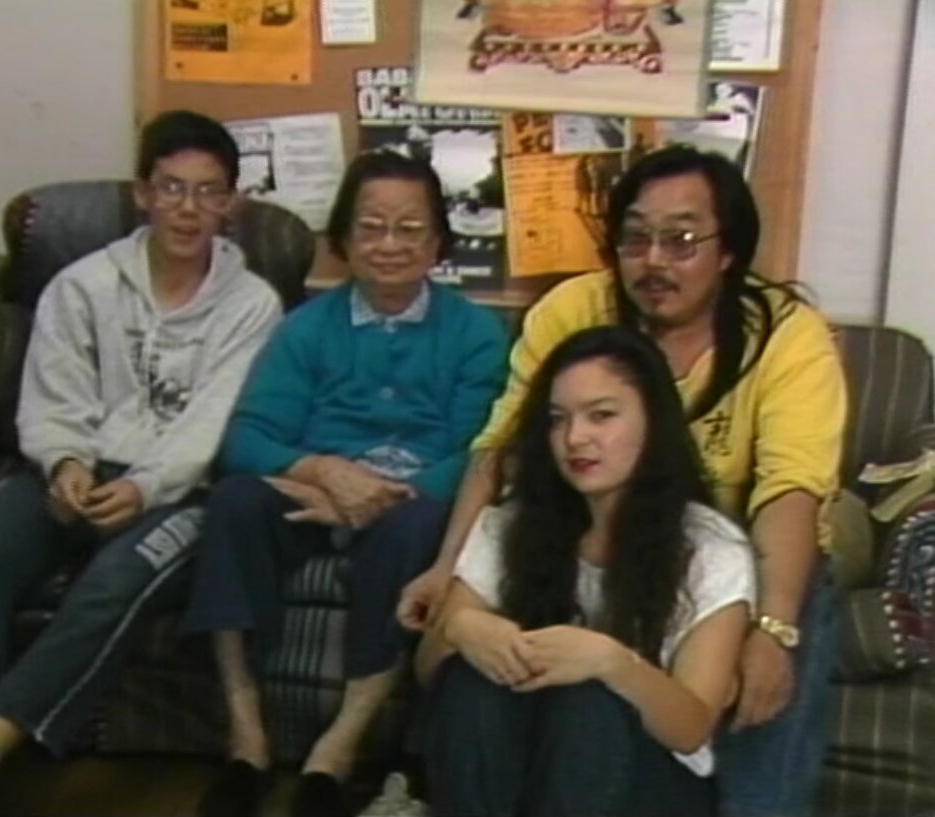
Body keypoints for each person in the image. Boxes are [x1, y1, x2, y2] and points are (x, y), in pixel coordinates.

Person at [0, 110, 284, 817]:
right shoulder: (82, 285)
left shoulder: (253, 305)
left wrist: (144, 487)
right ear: (142, 193)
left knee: (110, 584)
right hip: (75, 472)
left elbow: (213, 422)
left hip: (181, 494)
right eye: (172, 187)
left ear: (231, 204)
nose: (188, 208)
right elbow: (54, 395)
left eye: (208, 192)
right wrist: (64, 463)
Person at [399, 145, 847, 817]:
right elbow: (503, 447)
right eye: (636, 238)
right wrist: (449, 577)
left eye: (682, 239)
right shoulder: (574, 310)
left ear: (729, 251)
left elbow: (791, 488)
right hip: (582, 512)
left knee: (786, 608)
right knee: (478, 664)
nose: (655, 261)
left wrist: (771, 627)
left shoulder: (786, 334)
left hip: (741, 527)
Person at [181, 149, 508, 817]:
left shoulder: (477, 333)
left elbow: (477, 451)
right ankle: (246, 740)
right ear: (344, 240)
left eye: (409, 227)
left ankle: (337, 748)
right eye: (371, 226)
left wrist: (382, 493)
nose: (389, 245)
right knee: (235, 501)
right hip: (310, 494)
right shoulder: (304, 328)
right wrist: (326, 474)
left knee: (415, 526)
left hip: (408, 503)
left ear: (438, 242)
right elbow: (248, 438)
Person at [419, 325, 755, 816]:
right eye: (558, 420)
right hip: (523, 768)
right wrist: (461, 628)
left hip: (650, 785)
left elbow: (692, 726)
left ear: (653, 423)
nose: (576, 439)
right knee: (470, 681)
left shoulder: (711, 548)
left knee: (587, 702)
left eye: (602, 416)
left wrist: (614, 664)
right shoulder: (513, 521)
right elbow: (430, 671)